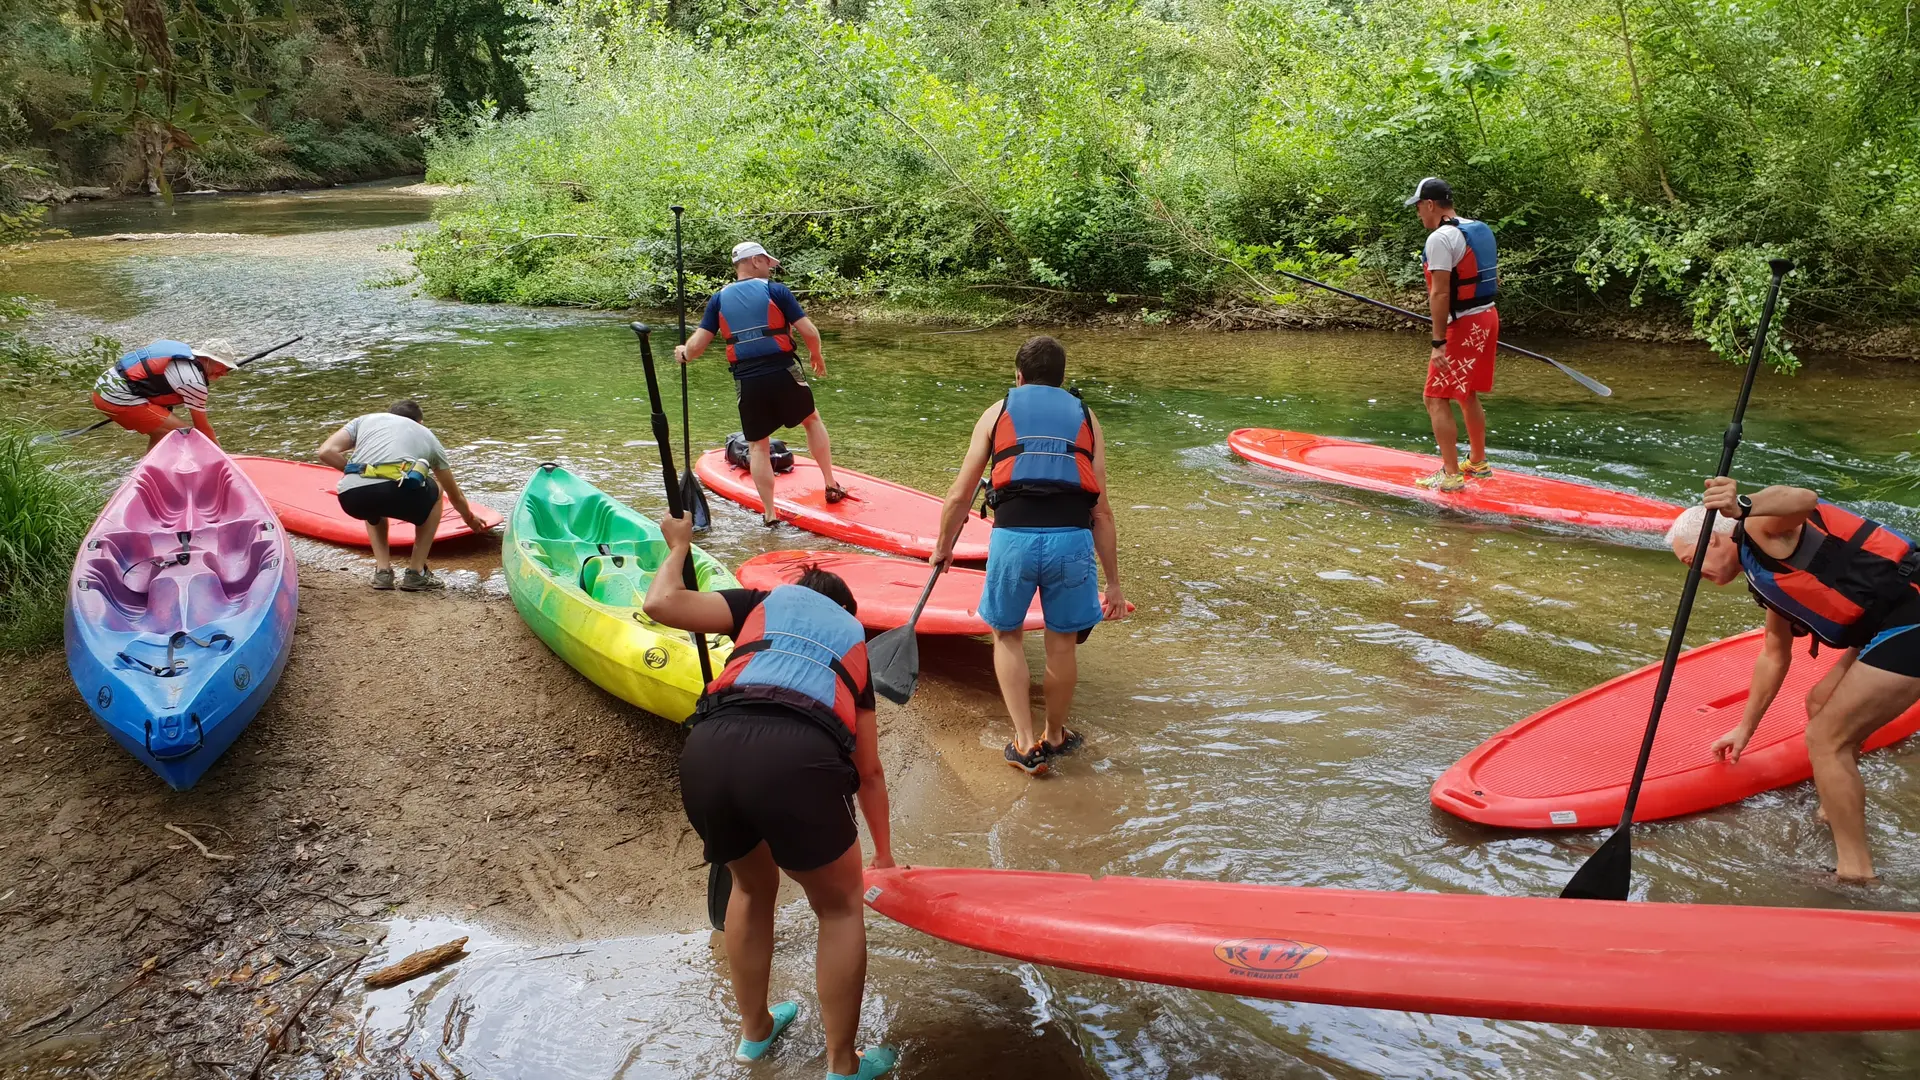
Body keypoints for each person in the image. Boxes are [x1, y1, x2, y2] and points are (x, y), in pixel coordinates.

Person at [643, 515, 897, 1080]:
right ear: (847, 611)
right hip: (795, 757)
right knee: (838, 906)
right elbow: (870, 772)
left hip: (708, 749)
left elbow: (660, 603)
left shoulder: (759, 603)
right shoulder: (854, 640)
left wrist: (680, 546)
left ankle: (755, 1033)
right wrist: (882, 856)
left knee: (753, 888)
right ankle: (841, 1064)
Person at [1668, 476, 1920, 883]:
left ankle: (1856, 873)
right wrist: (1745, 729)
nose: (1694, 574)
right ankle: (1833, 807)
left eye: (1689, 562)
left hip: (1912, 615)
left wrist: (1742, 504)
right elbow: (1773, 653)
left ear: (1713, 541)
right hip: (1889, 619)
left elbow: (1804, 498)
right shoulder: (1761, 571)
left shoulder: (1757, 528)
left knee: (1825, 737)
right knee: (1820, 702)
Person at [930, 336, 1127, 775]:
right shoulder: (1086, 417)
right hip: (1072, 541)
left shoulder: (996, 412)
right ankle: (1055, 736)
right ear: (1062, 379)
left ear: (1017, 376)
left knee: (1007, 635)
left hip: (1013, 540)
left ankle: (1023, 744)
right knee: (1062, 646)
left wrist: (943, 548)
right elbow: (1102, 510)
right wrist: (1113, 584)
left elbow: (960, 496)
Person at [676, 241, 844, 525]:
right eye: (767, 262)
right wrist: (817, 355)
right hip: (783, 370)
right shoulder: (776, 291)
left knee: (758, 446)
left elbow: (696, 348)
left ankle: (769, 513)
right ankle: (830, 483)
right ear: (754, 261)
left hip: (747, 378)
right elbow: (809, 331)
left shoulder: (718, 299)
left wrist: (683, 353)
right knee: (811, 420)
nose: (770, 268)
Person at [315, 400, 492, 591]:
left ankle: (383, 572)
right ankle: (416, 573)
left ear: (389, 414)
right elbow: (454, 494)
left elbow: (325, 452)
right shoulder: (427, 435)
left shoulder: (365, 420)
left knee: (373, 500)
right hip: (398, 494)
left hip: (352, 498)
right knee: (438, 490)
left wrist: (356, 472)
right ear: (420, 422)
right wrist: (470, 519)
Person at [1405, 177, 1500, 492]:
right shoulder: (1478, 228)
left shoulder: (1440, 239)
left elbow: (1441, 295)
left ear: (1430, 204)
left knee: (1434, 397)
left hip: (1463, 325)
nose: (1418, 214)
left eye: (1418, 207)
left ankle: (1450, 474)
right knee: (1465, 391)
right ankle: (1477, 462)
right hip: (1487, 318)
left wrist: (1438, 342)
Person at [91, 339, 232, 451]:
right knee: (185, 434)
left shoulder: (181, 355)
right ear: (207, 359)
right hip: (116, 397)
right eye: (222, 366)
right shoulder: (193, 382)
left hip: (102, 387)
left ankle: (149, 471)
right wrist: (224, 457)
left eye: (228, 368)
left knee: (161, 433)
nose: (224, 373)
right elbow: (204, 428)